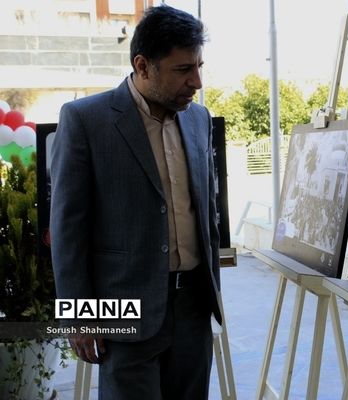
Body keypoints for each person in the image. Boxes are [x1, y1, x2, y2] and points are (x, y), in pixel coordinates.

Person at [50, 5, 221, 399]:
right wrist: (78, 316)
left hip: (193, 306)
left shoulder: (199, 119)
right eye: (183, 70)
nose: (196, 81)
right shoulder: (85, 120)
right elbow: (67, 227)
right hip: (123, 311)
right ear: (143, 66)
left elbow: (206, 211)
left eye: (198, 66)